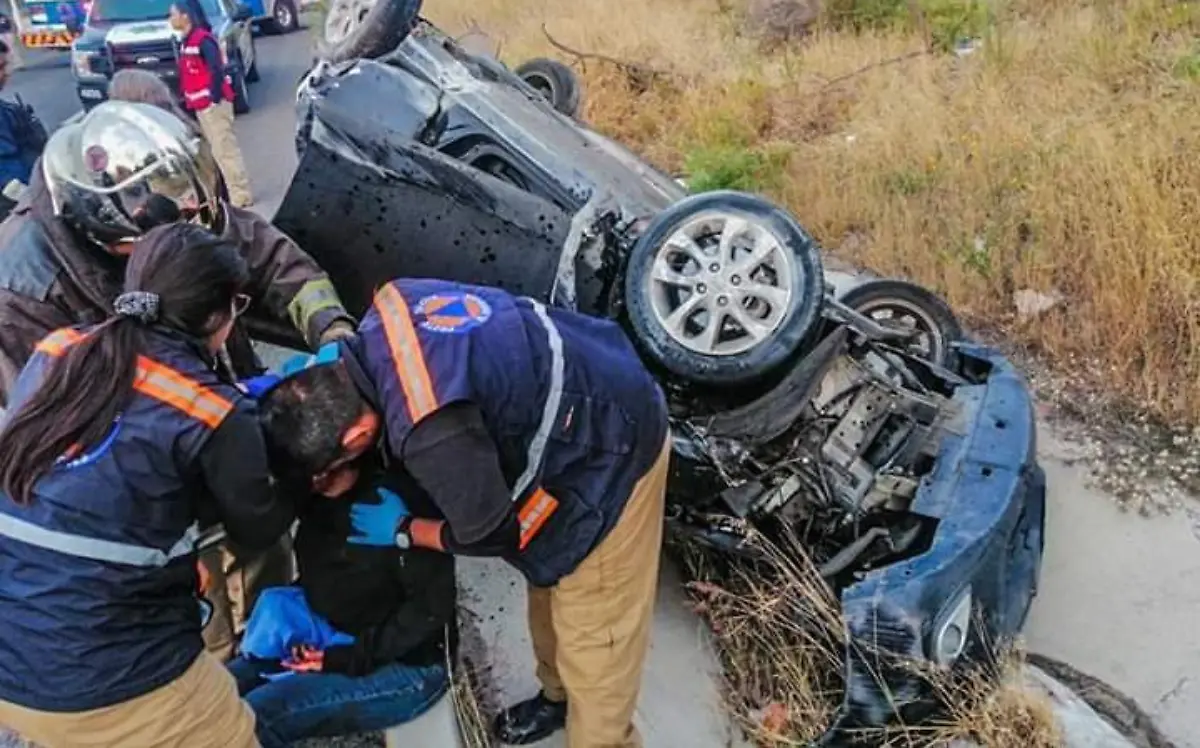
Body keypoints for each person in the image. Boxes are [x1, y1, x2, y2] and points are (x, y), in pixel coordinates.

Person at [0, 100, 357, 663]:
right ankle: (216, 663)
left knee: (263, 549)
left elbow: (273, 261)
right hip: (145, 478)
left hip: (224, 421)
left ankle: (268, 642)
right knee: (194, 597)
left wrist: (332, 331)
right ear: (105, 241)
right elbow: (55, 431)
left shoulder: (179, 203)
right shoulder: (26, 291)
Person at [260, 278, 672, 748]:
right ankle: (557, 697)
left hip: (610, 445)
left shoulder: (430, 431)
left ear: (354, 439)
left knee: (597, 638)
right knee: (549, 584)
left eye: (331, 470)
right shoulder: (384, 309)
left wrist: (407, 531)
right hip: (578, 375)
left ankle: (603, 737)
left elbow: (493, 534)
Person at [0, 222, 295, 748]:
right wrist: (295, 469)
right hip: (116, 685)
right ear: (216, 315)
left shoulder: (61, 350)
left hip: (13, 661)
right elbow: (258, 527)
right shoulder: (212, 412)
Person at [225, 452, 455, 747]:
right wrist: (302, 632)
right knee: (219, 690)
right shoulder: (316, 504)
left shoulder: (389, 508)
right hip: (335, 637)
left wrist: (340, 659)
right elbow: (323, 584)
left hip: (408, 667)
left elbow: (428, 613)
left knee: (256, 720)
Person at [168, 0, 253, 207]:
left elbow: (216, 69)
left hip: (212, 106)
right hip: (201, 106)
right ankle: (226, 194)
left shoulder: (203, 40)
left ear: (185, 16)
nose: (170, 19)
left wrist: (214, 99)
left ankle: (241, 195)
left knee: (225, 150)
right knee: (215, 152)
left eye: (173, 14)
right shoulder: (187, 42)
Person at [0, 38, 46, 211]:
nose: (6, 73)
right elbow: (6, 172)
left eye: (5, 66)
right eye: (0, 68)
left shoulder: (7, 109)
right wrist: (30, 200)